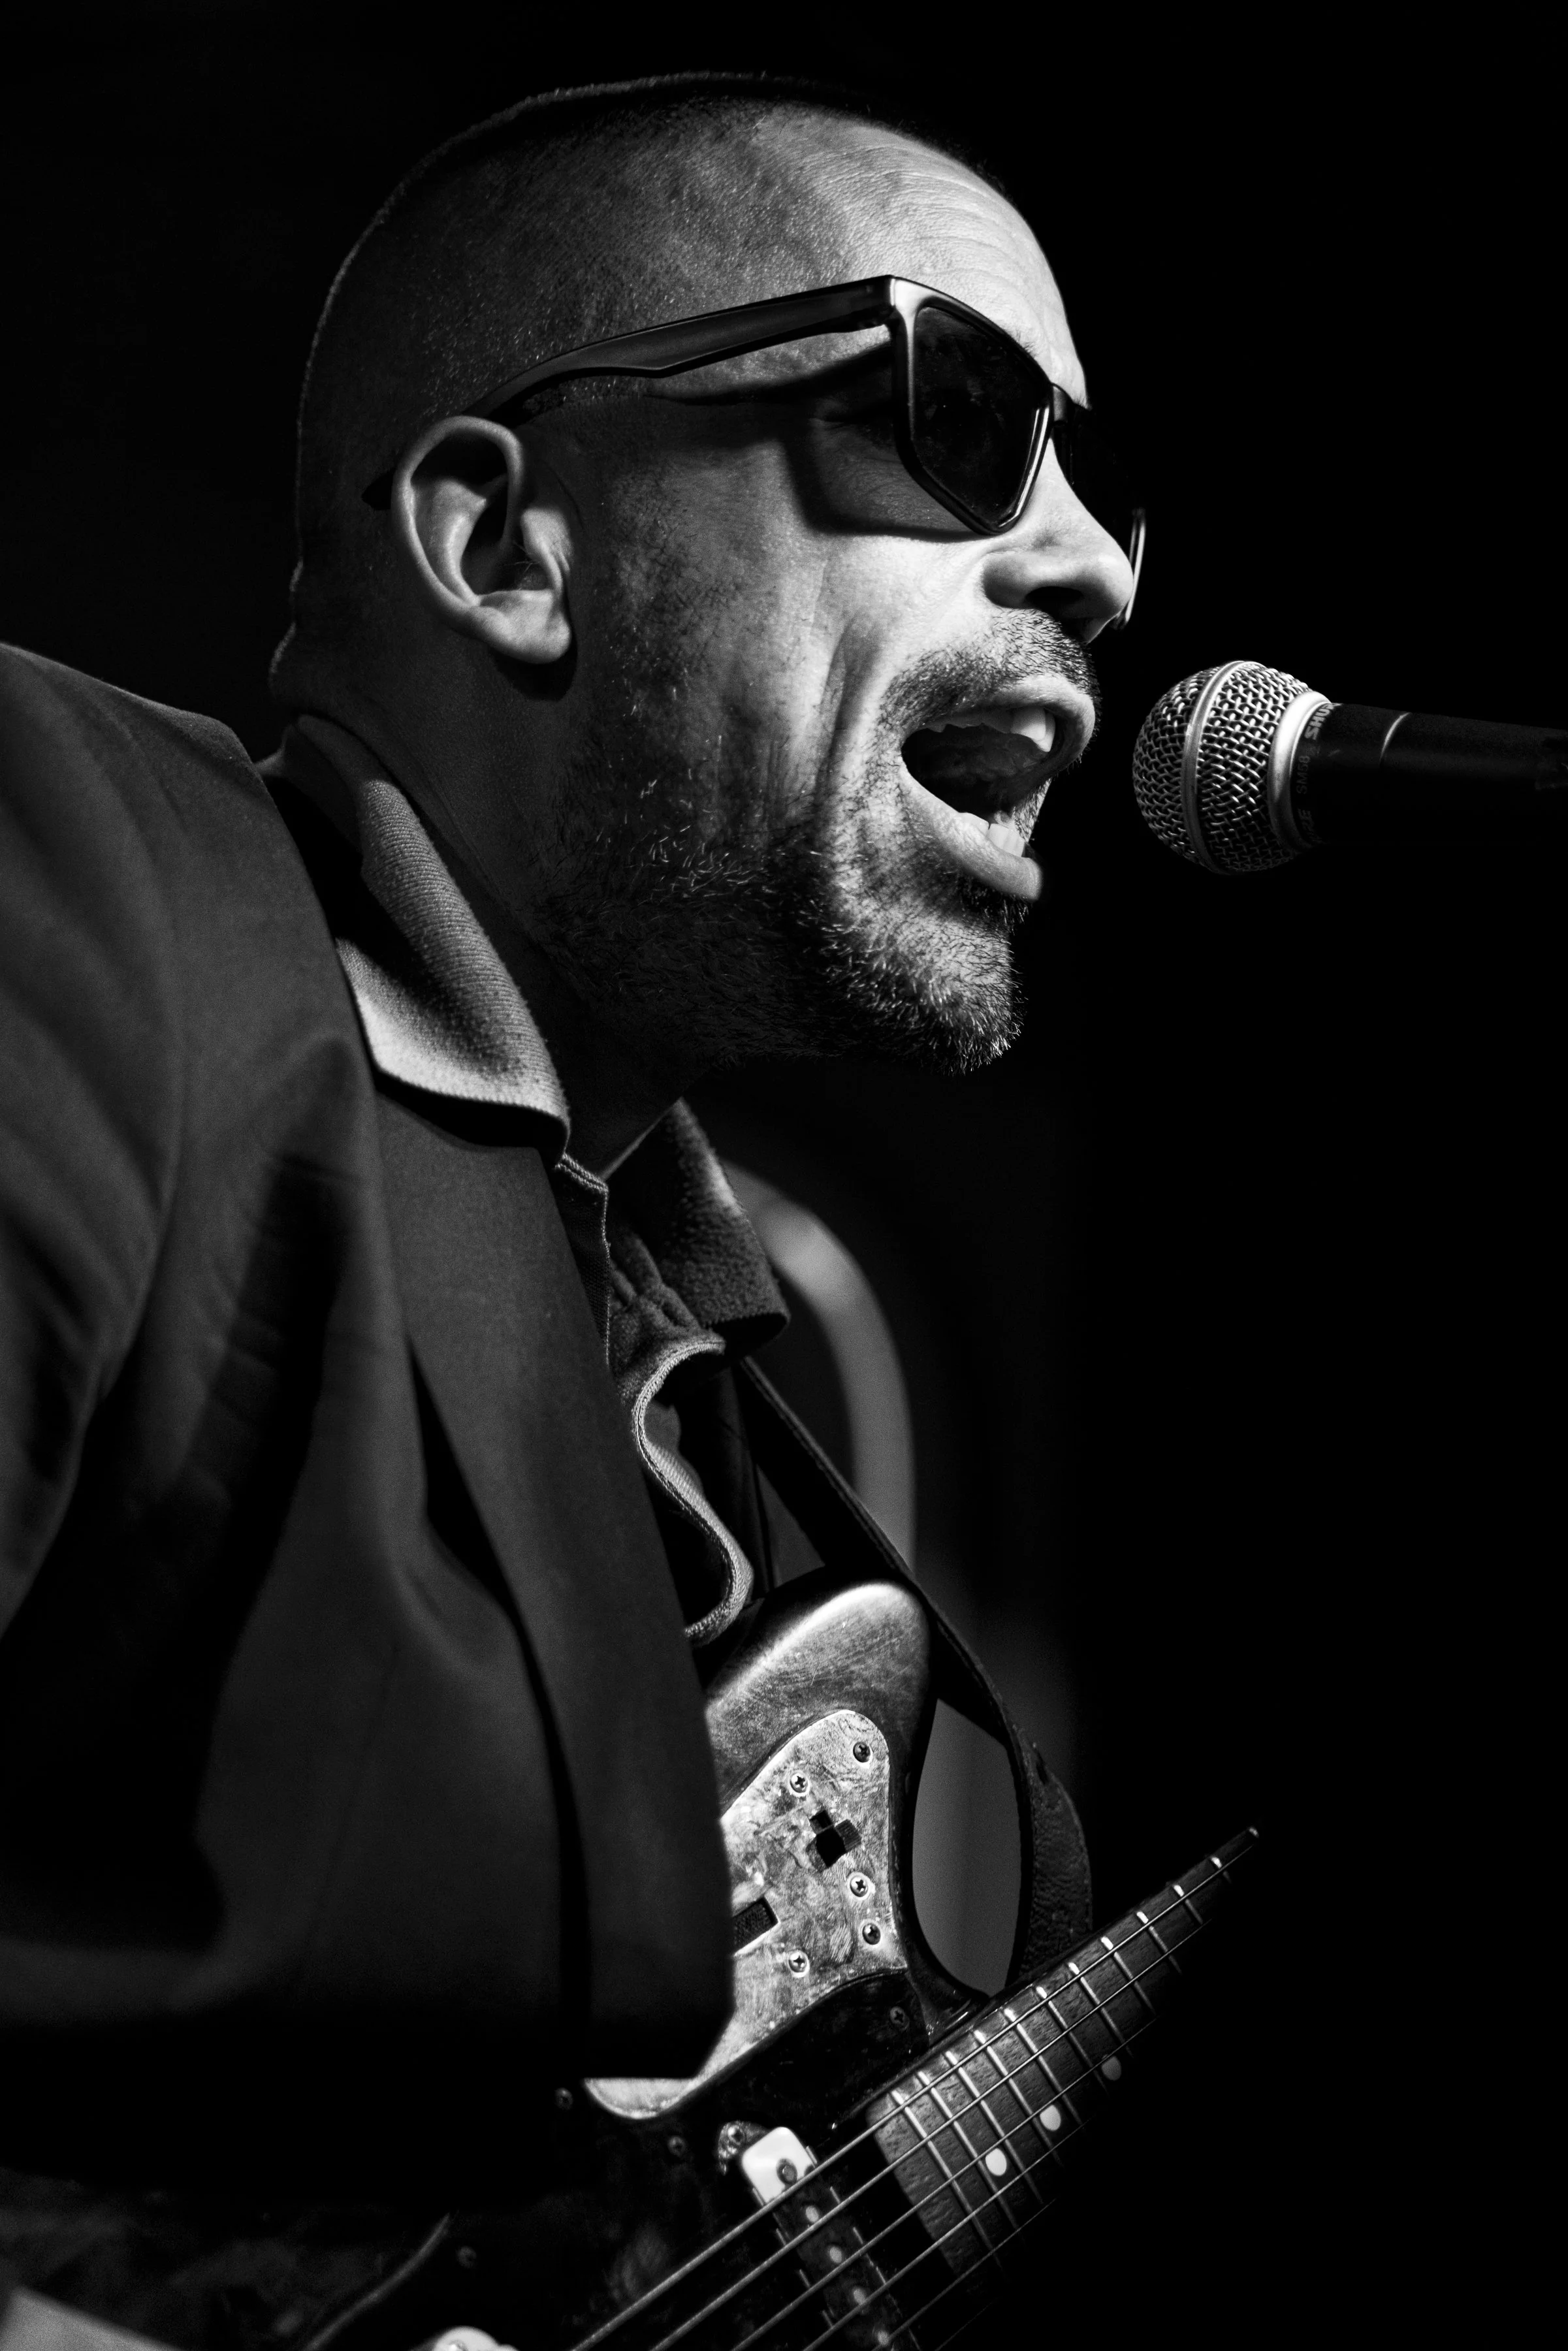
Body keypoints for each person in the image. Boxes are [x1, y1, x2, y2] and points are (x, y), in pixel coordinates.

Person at [0, 74, 1138, 2351]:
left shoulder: (724, 1433)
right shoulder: (82, 878)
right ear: (510, 545)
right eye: (959, 410)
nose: (1097, 564)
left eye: (1112, 483)